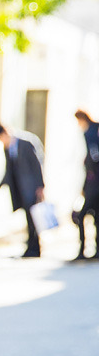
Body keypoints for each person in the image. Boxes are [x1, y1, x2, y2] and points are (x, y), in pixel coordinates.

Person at [0, 123, 46, 257]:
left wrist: (41, 186)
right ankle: (30, 246)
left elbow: (37, 165)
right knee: (28, 218)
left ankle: (35, 247)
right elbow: (8, 170)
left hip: (31, 188)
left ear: (4, 134)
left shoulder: (26, 143)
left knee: (33, 219)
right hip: (19, 189)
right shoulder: (8, 149)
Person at [73, 109, 99, 260]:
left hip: (94, 183)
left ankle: (82, 249)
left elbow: (94, 157)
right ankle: (95, 249)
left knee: (81, 215)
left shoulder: (89, 132)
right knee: (96, 217)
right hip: (92, 182)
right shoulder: (95, 129)